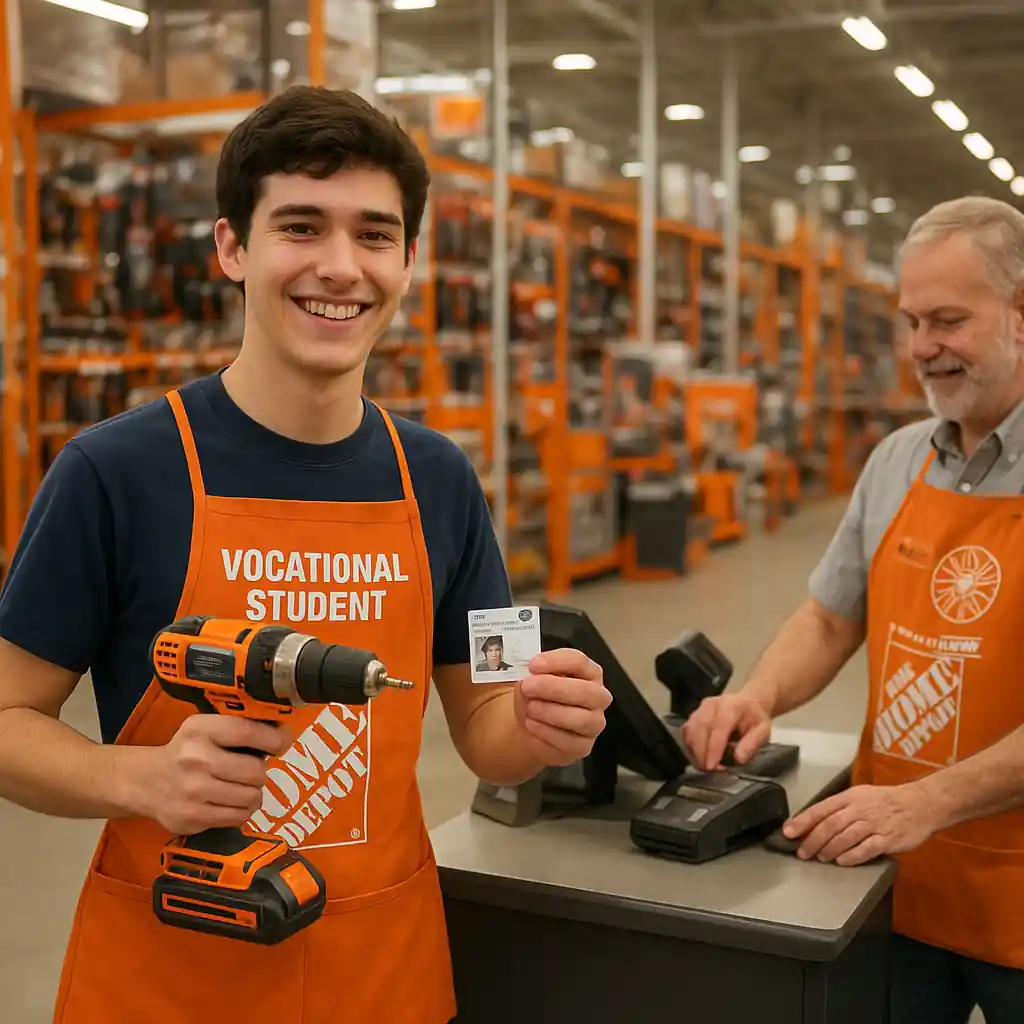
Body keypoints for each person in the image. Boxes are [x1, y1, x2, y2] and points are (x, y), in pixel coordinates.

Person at [0, 86, 611, 1024]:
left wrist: (543, 726)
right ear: (232, 248)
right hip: (171, 980)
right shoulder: (115, 472)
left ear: (409, 260)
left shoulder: (442, 478)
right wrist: (140, 779)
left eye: (374, 234)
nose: (340, 266)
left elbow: (489, 718)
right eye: (300, 226)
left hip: (384, 975)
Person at [682, 195, 1024, 1024]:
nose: (922, 348)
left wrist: (925, 803)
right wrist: (756, 695)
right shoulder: (898, 460)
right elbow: (831, 618)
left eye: (949, 320)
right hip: (894, 878)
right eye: (912, 322)